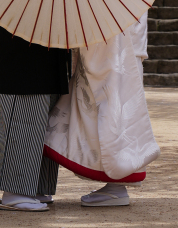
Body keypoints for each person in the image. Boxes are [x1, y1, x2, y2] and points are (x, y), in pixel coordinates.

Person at [43, 12, 159, 207]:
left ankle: (117, 184)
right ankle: (117, 184)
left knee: (110, 111)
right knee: (113, 112)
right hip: (122, 34)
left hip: (113, 39)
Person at [0, 22, 71, 211]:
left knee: (47, 105)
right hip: (20, 35)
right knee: (24, 107)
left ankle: (36, 186)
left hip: (50, 32)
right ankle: (15, 190)